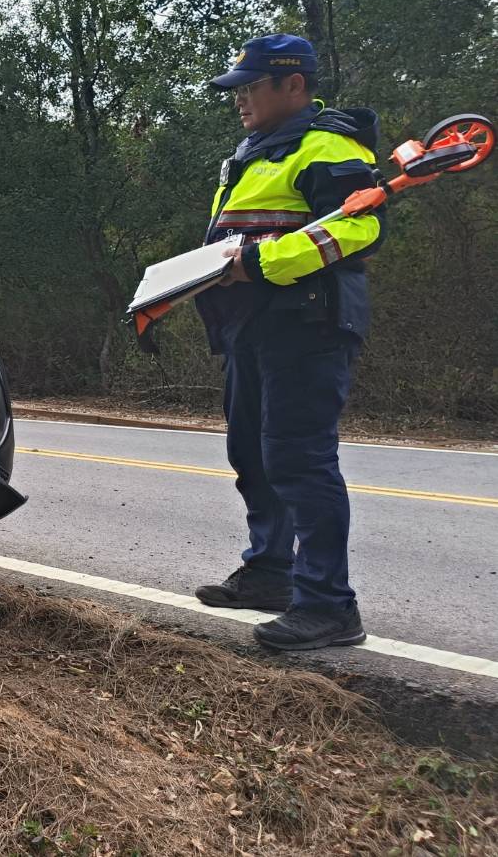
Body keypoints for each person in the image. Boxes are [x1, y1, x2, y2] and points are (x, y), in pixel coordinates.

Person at [191, 34, 384, 651]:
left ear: (293, 85)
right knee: (252, 452)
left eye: (252, 87)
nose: (241, 99)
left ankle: (329, 606)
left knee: (300, 460)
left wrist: (263, 264)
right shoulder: (253, 152)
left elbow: (360, 228)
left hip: (308, 324)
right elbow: (234, 238)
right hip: (254, 327)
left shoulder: (327, 146)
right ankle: (270, 572)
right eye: (238, 89)